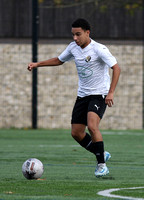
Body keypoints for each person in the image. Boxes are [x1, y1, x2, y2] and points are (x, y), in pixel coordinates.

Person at [28, 18, 121, 177]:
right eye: (73, 35)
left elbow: (116, 68)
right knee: (76, 133)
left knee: (92, 126)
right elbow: (59, 60)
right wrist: (37, 64)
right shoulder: (73, 48)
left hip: (99, 94)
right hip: (83, 94)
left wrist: (111, 92)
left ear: (87, 33)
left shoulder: (99, 49)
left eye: (78, 34)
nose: (75, 38)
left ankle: (101, 165)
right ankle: (100, 152)